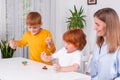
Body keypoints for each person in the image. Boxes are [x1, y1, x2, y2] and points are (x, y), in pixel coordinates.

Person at [89, 8, 120, 80]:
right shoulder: (98, 45)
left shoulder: (118, 48)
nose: (94, 28)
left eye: (97, 24)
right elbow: (94, 73)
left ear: (109, 25)